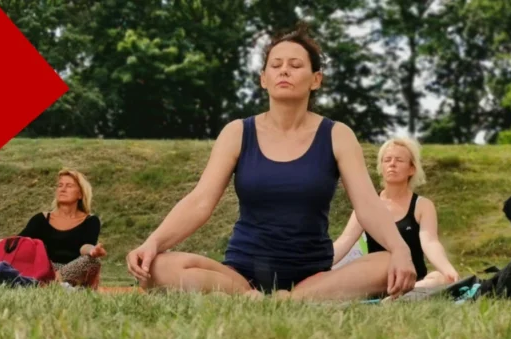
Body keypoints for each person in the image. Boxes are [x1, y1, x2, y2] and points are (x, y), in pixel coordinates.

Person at [125, 23, 417, 301]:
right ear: (264, 79)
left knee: (389, 263)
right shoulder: (238, 132)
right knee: (157, 269)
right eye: (275, 65)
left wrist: (400, 249)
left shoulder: (337, 135)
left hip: (313, 276)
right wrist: (153, 243)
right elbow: (200, 201)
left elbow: (367, 204)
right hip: (239, 274)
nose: (284, 71)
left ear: (316, 80)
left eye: (295, 65)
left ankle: (292, 299)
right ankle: (250, 297)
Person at [332, 137, 460, 289]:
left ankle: (406, 293)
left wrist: (448, 269)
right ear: (381, 167)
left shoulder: (423, 206)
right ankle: (398, 295)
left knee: (439, 277)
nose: (392, 164)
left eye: (399, 160)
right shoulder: (367, 206)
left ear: (412, 168)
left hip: (414, 281)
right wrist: (314, 267)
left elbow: (430, 242)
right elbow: (344, 241)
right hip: (378, 281)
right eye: (387, 160)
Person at [0, 169, 105, 288]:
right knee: (3, 268)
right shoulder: (41, 219)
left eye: (69, 186)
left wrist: (92, 251)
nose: (63, 189)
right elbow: (17, 241)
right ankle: (47, 285)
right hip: (44, 269)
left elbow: (85, 246)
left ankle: (45, 285)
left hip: (73, 270)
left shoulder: (91, 221)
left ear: (80, 194)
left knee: (93, 261)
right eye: (60, 185)